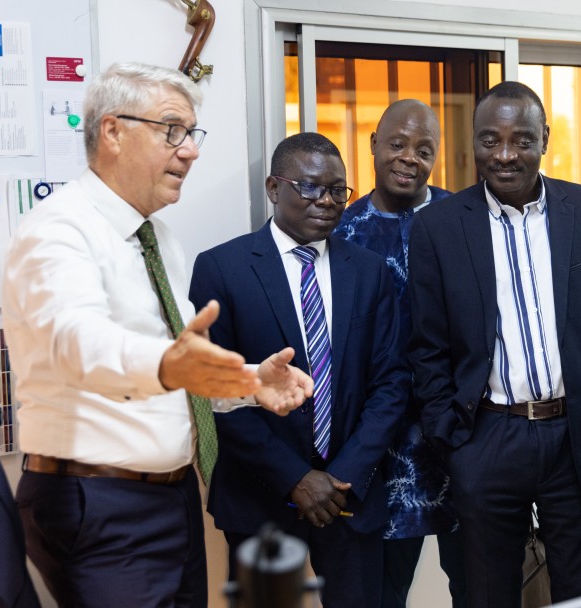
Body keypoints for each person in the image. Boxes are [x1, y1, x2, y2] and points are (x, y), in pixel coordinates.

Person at [1, 62, 313, 607]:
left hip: (172, 495)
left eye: (192, 134)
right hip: (97, 500)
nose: (189, 150)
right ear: (113, 132)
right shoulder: (58, 231)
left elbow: (180, 360)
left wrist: (248, 383)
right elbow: (79, 343)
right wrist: (170, 365)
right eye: (172, 130)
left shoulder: (159, 239)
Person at [407, 81, 581, 608]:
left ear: (545, 141)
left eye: (522, 139)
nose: (506, 154)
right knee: (487, 595)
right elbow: (427, 346)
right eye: (490, 140)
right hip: (488, 436)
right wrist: (453, 441)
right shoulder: (437, 229)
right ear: (473, 144)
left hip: (577, 435)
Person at [189, 132, 409, 607]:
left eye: (337, 191)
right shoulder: (221, 269)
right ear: (274, 188)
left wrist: (342, 474)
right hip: (259, 496)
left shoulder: (369, 271)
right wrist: (295, 477)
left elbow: (392, 382)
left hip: (350, 495)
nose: (326, 202)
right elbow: (219, 393)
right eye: (310, 188)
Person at [332, 99, 465, 608]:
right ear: (372, 145)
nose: (409, 157)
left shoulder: (461, 219)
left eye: (424, 149)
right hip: (376, 443)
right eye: (397, 144)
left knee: (481, 583)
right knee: (382, 591)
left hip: (459, 434)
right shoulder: (340, 230)